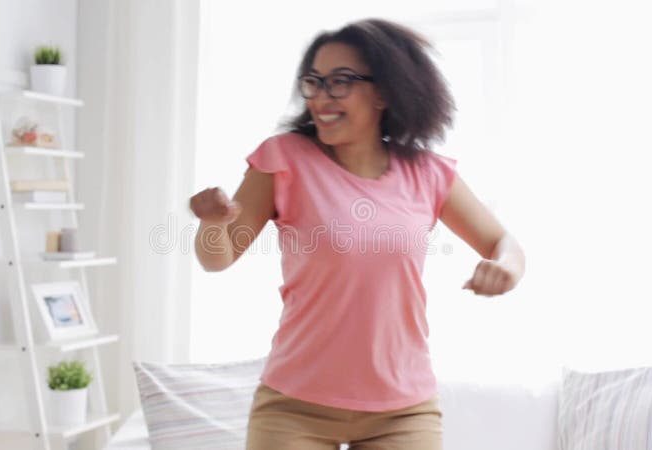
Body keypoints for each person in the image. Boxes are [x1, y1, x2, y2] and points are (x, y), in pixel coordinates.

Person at [189, 18, 525, 450]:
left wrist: (506, 269)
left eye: (340, 82)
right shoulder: (284, 158)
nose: (321, 98)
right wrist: (212, 223)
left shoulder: (428, 173)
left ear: (385, 91)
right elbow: (216, 259)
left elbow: (505, 243)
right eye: (314, 82)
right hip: (295, 406)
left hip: (403, 410)